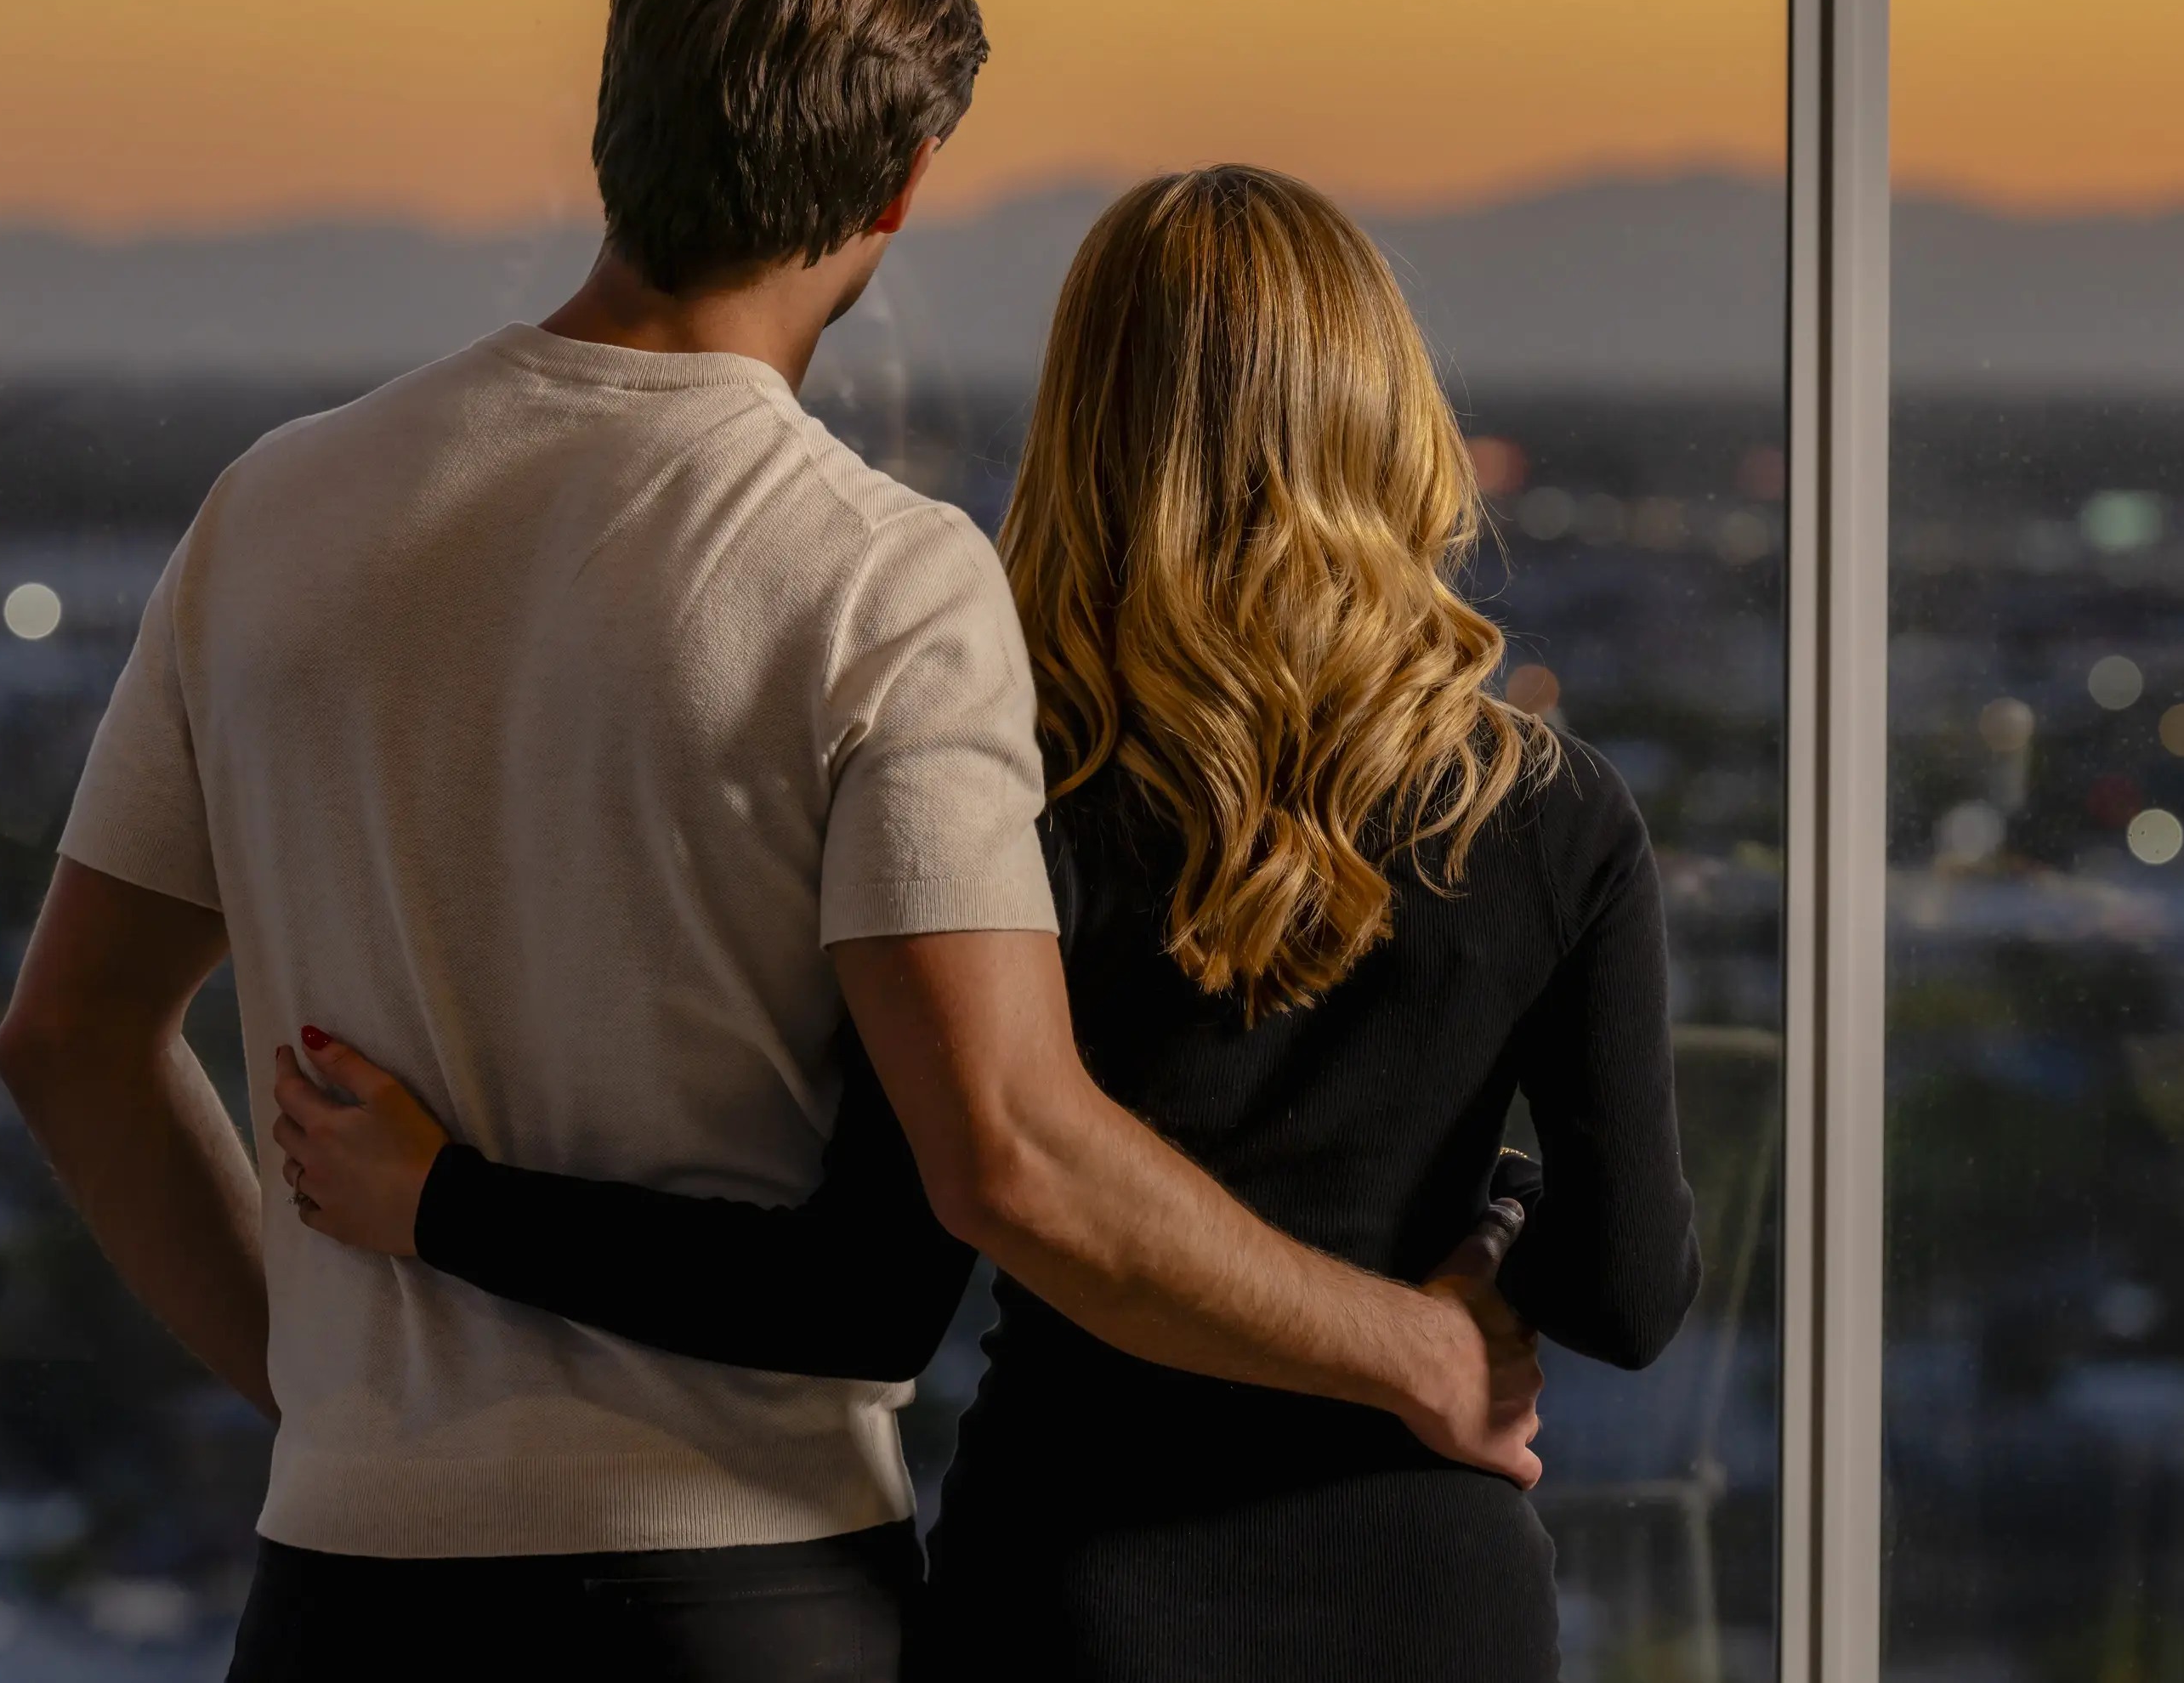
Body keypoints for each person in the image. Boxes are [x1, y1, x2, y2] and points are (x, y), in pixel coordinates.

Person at [0, 0, 1540, 1683]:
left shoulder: (274, 509)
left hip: (343, 1591)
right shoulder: (879, 577)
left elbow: (69, 1040)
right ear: (898, 190)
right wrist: (1420, 1351)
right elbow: (1010, 1157)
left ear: (614, 134)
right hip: (730, 1601)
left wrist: (331, 1394)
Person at [275, 164, 1702, 1681]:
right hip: (1439, 1604)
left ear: (1091, 432)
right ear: (1392, 415)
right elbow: (1626, 1297)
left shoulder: (1010, 796)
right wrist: (1486, 1209)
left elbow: (858, 1299)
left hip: (1081, 1601)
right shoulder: (1553, 817)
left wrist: (445, 1200)